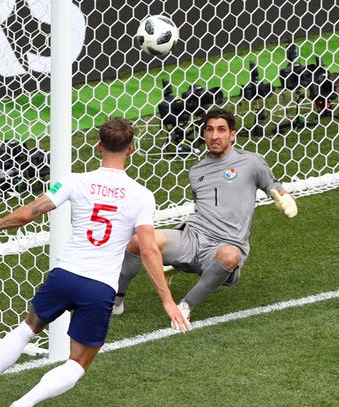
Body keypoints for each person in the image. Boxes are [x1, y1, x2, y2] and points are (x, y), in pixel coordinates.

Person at [0, 118, 190, 407]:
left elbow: (29, 213)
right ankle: (23, 404)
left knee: (28, 327)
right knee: (78, 362)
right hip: (99, 287)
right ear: (131, 149)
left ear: (99, 147)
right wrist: (168, 301)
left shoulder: (75, 181)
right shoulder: (141, 195)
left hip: (64, 275)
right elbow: (148, 250)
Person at [112, 108, 297, 323]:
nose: (215, 136)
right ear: (204, 134)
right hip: (193, 237)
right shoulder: (197, 171)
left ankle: (185, 305)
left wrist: (285, 199)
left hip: (226, 244)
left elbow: (273, 185)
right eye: (209, 130)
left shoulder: (251, 163)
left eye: (221, 130)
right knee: (138, 241)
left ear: (232, 134)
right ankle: (116, 301)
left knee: (230, 256)